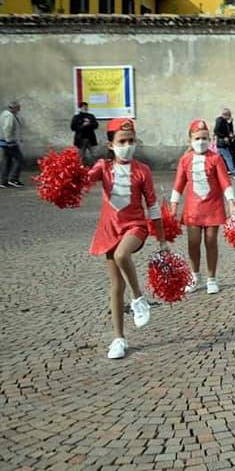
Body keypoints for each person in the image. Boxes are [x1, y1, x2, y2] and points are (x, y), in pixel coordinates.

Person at [87, 118, 167, 359]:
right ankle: (119, 339)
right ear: (110, 144)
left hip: (135, 226)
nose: (128, 145)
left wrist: (162, 239)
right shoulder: (103, 167)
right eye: (122, 141)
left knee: (123, 254)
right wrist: (73, 176)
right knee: (115, 286)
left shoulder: (143, 170)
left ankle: (138, 298)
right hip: (109, 229)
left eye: (131, 141)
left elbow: (152, 205)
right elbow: (85, 179)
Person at [170, 119, 235, 295]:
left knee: (210, 241)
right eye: (198, 138)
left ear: (210, 140)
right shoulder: (185, 160)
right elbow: (179, 183)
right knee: (193, 243)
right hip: (193, 209)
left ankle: (211, 278)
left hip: (213, 207)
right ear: (190, 141)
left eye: (204, 138)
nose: (201, 142)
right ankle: (194, 275)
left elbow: (225, 181)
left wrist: (231, 202)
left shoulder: (215, 158)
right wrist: (173, 205)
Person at [214, 108, 235, 179]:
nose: (230, 116)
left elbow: (230, 131)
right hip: (222, 144)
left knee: (222, 159)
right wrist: (224, 137)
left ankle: (225, 173)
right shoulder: (220, 120)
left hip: (225, 143)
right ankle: (234, 173)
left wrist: (230, 123)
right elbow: (216, 131)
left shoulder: (225, 121)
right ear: (227, 115)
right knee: (228, 158)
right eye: (230, 115)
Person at [0, 100, 24, 188]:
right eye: (18, 107)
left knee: (6, 161)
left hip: (4, 142)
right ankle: (13, 179)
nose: (19, 109)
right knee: (19, 159)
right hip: (9, 142)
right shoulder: (9, 116)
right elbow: (7, 128)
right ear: (13, 108)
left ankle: (3, 181)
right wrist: (9, 141)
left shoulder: (5, 114)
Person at [71, 102, 99, 166]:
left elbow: (96, 125)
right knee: (81, 156)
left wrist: (89, 124)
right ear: (80, 108)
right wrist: (83, 125)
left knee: (95, 155)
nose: (85, 108)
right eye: (83, 107)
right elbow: (73, 127)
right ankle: (81, 169)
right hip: (80, 139)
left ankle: (97, 168)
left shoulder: (91, 116)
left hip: (91, 139)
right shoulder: (76, 117)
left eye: (86, 107)